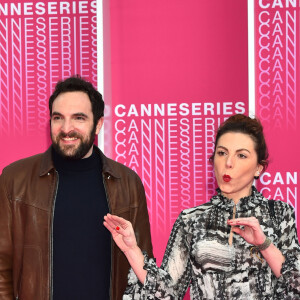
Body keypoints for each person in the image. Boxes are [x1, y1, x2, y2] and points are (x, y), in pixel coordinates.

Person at [104, 114, 300, 299]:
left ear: (258, 168)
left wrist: (264, 244)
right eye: (222, 153)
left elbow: (296, 289)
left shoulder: (279, 214)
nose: (228, 163)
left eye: (241, 155)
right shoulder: (191, 219)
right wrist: (132, 250)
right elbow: (168, 293)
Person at [0, 76, 153, 300]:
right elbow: (1, 267)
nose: (66, 128)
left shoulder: (128, 183)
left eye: (78, 118)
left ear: (98, 124)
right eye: (58, 118)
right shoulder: (15, 179)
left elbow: (143, 266)